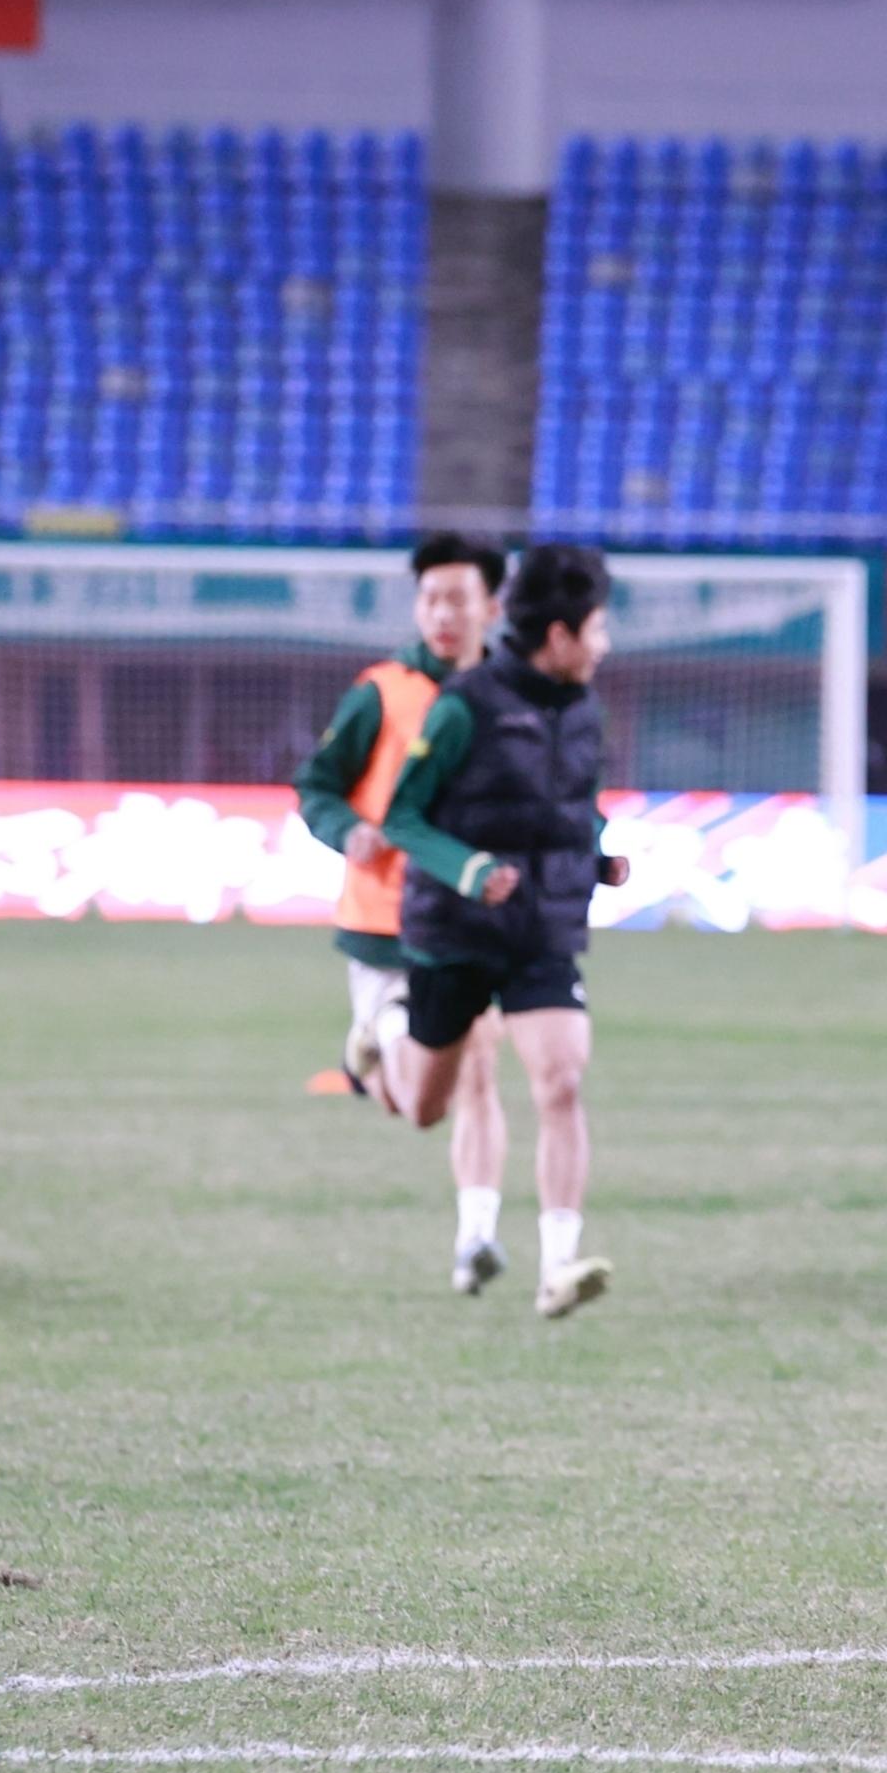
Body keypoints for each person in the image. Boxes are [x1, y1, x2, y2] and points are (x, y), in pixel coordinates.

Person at [373, 543, 631, 1319]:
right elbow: (401, 817)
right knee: (423, 1106)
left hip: (542, 929)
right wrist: (467, 869)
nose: (605, 644)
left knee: (562, 1081)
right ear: (559, 635)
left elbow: (574, 806)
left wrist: (599, 853)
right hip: (455, 929)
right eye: (597, 628)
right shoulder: (463, 706)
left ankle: (559, 1267)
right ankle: (385, 1033)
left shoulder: (585, 709)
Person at [291, 531, 513, 1276]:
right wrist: (346, 828)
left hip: (477, 923)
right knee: (417, 1106)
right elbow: (316, 784)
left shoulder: (514, 696)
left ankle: (476, 1239)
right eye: (430, 599)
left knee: (477, 1067)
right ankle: (375, 1041)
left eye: (458, 599)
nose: (443, 614)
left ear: (493, 606)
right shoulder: (381, 692)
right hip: (387, 925)